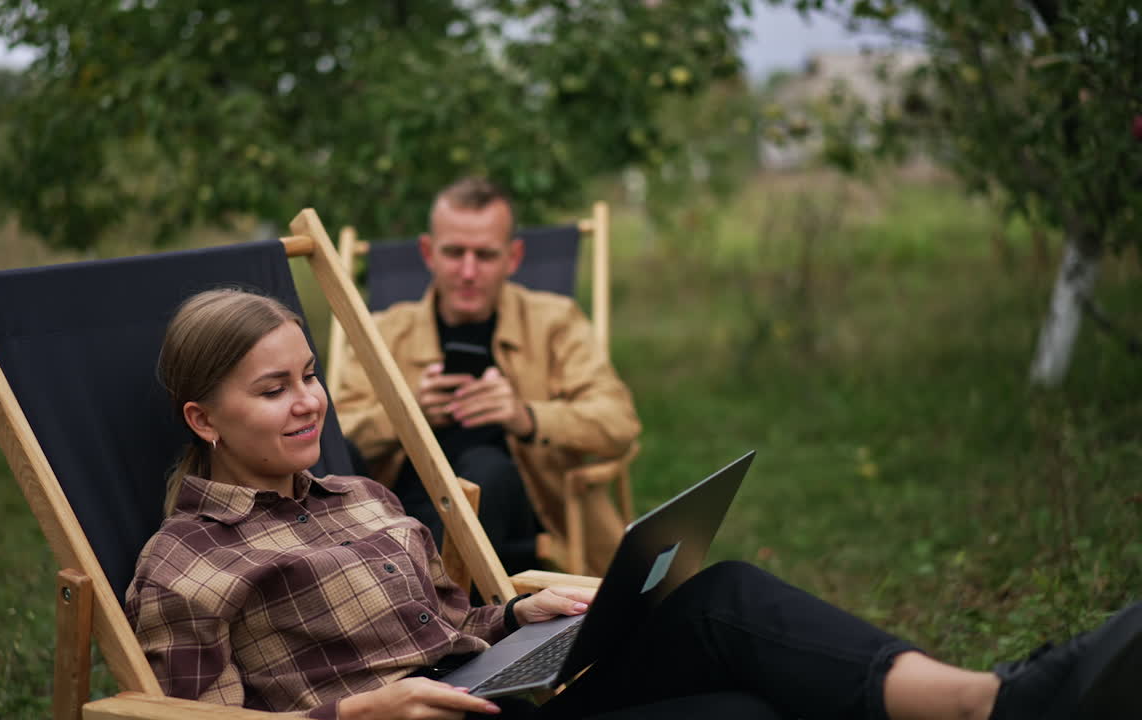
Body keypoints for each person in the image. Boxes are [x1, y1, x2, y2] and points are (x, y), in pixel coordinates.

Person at [126, 287, 1141, 720]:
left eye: (309, 376)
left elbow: (445, 624)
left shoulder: (352, 494)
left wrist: (516, 614)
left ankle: (994, 702)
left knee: (728, 632)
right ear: (202, 418)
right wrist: (358, 711)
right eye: (275, 390)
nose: (310, 403)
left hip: (496, 692)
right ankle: (1008, 704)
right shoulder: (186, 563)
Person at [333, 178, 640, 575]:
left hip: (516, 516)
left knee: (484, 471)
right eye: (454, 252)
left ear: (513, 257)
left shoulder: (555, 322)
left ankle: (436, 610)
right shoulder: (384, 332)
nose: (468, 271)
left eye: (485, 255)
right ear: (428, 252)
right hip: (403, 513)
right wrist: (406, 416)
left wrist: (526, 417)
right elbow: (333, 440)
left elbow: (619, 422)